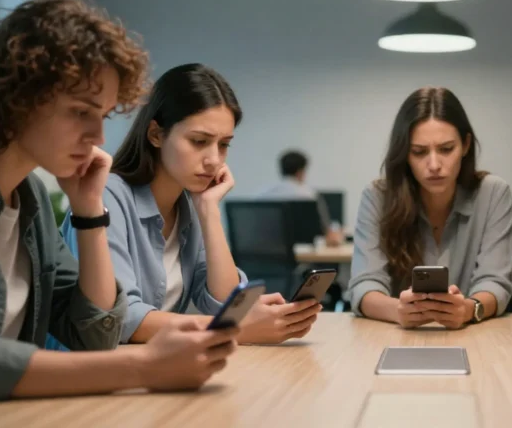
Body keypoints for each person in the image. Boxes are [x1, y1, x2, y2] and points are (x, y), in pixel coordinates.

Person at [0, 0, 237, 414]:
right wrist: (144, 367)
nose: (98, 135)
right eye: (81, 112)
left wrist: (87, 210)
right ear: (16, 97)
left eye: (102, 114)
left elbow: (95, 332)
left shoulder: (26, 195)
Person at [62, 63, 321, 345]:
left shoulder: (189, 204)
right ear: (156, 135)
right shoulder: (107, 194)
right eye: (199, 141)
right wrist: (230, 329)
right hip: (90, 376)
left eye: (224, 145)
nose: (214, 160)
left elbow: (224, 304)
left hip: (154, 370)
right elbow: (122, 318)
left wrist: (209, 212)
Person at [349, 87, 512, 329]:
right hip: (398, 339)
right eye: (419, 152)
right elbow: (364, 286)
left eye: (447, 149)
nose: (434, 164)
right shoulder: (377, 197)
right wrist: (398, 311)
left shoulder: (493, 193)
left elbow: (496, 283)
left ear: (466, 145)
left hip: (477, 340)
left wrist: (468, 309)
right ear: (404, 153)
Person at [258, 150, 343, 247]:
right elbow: (327, 231)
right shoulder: (310, 196)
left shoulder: (263, 196)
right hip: (308, 254)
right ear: (300, 171)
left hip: (271, 252)